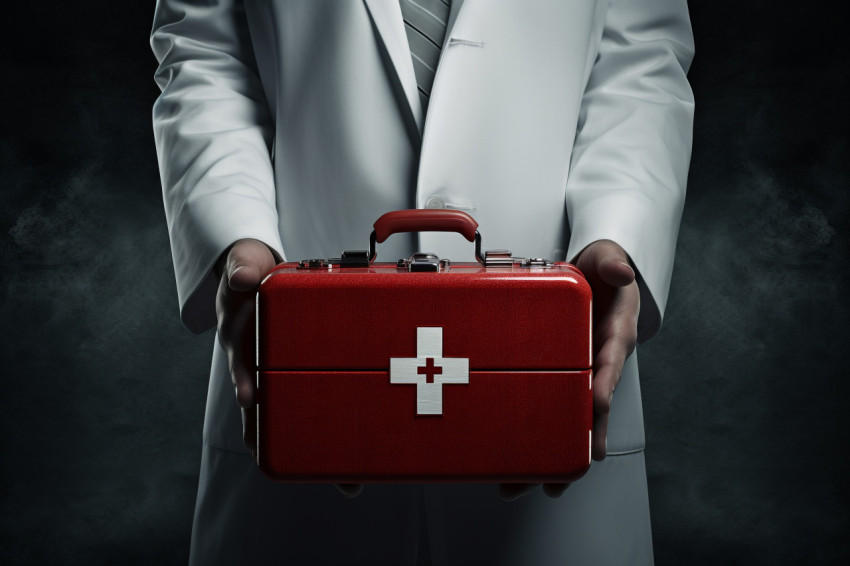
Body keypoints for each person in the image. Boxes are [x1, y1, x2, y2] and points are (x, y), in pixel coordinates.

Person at [151, 0, 695, 564]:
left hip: (551, 362)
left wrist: (618, 231)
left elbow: (641, 62)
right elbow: (204, 51)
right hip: (301, 362)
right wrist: (236, 235)